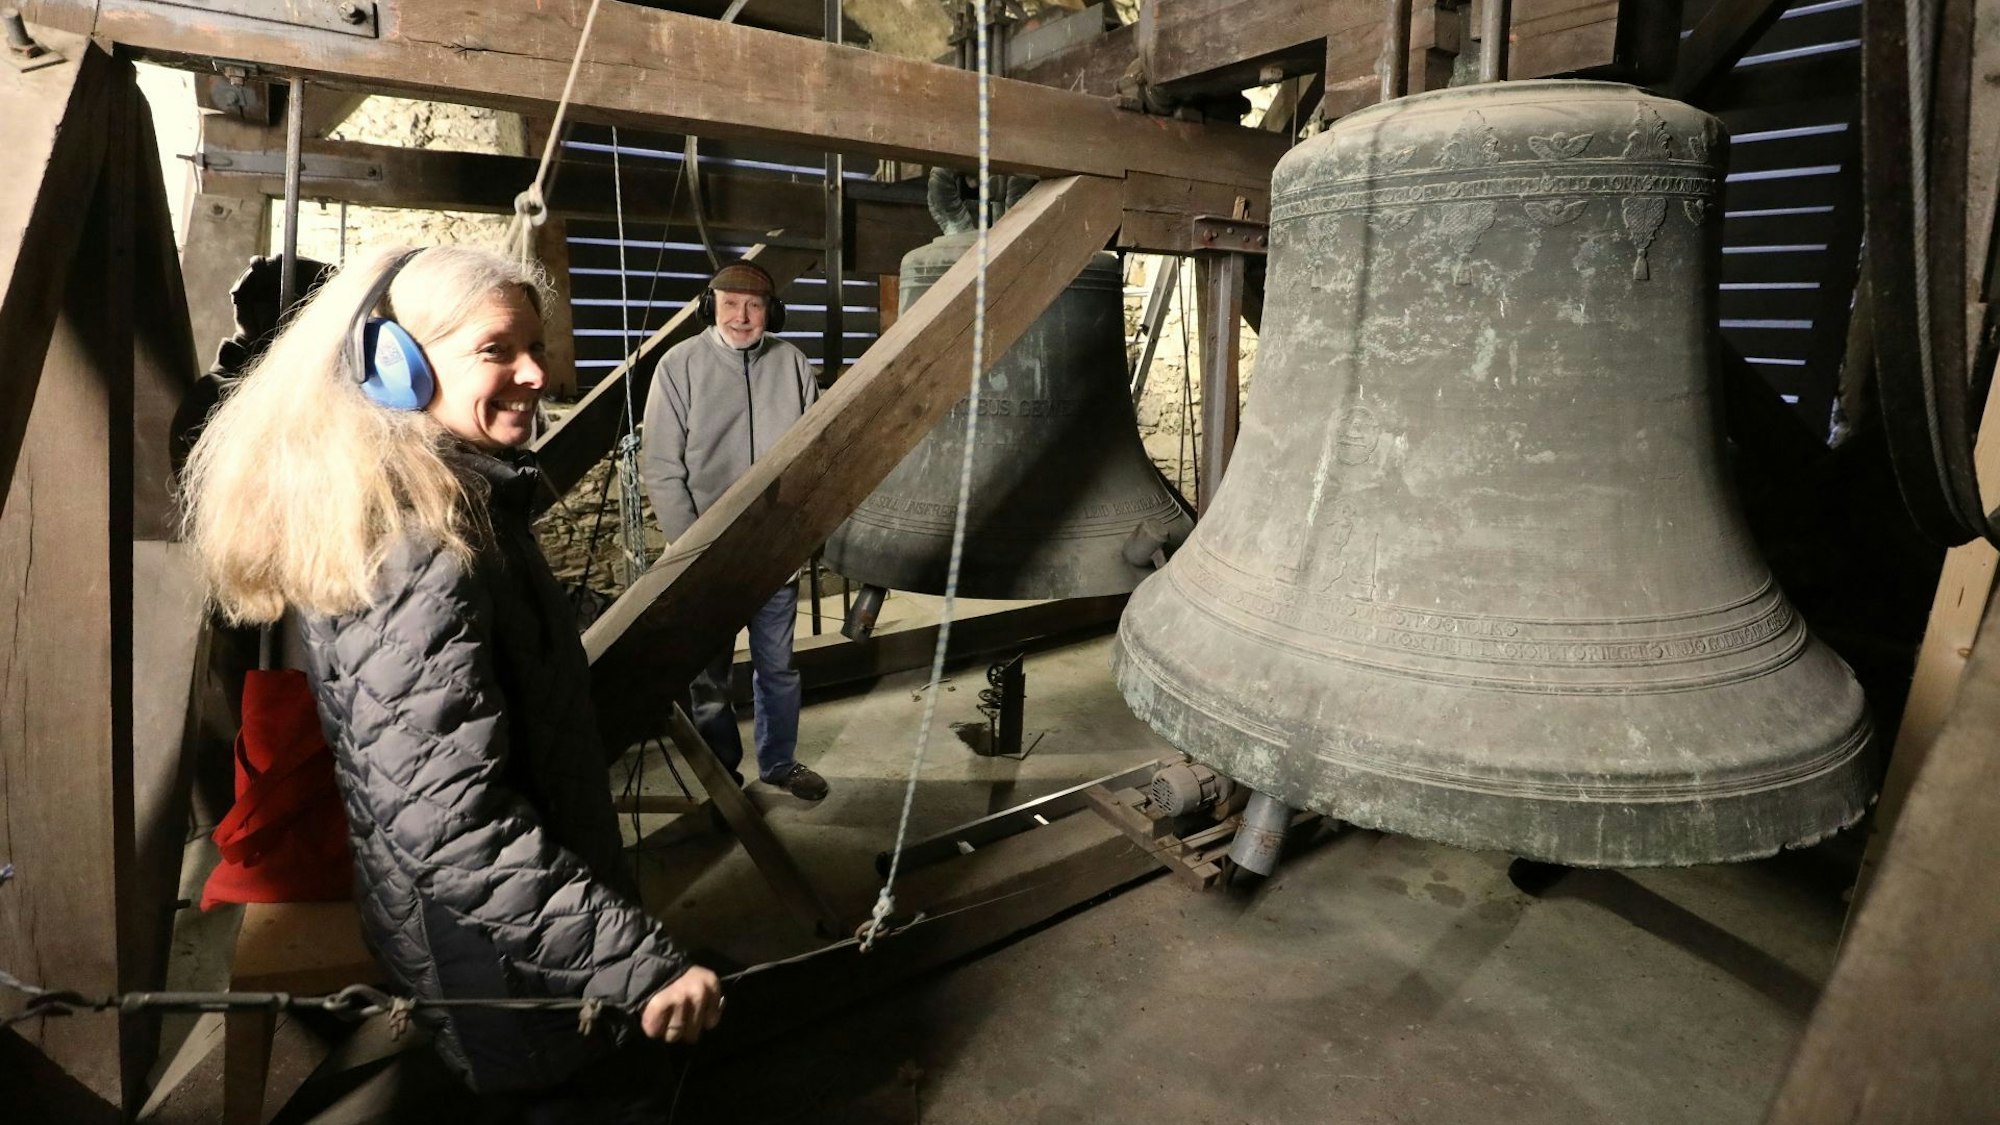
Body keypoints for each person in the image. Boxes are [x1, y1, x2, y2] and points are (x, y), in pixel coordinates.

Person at [180, 244, 721, 1120]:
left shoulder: (449, 499)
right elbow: (451, 828)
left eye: (535, 346)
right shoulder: (415, 546)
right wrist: (634, 962)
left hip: (496, 938)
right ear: (396, 363)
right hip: (496, 957)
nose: (535, 373)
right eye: (497, 349)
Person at [641, 260, 829, 802]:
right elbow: (662, 467)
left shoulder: (792, 364)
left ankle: (780, 764)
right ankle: (722, 777)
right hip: (706, 555)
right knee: (709, 678)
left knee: (779, 669)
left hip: (775, 553)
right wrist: (694, 549)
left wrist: (800, 533)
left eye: (754, 306)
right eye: (729, 304)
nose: (741, 317)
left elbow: (816, 453)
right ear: (710, 307)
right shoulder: (679, 366)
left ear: (772, 312)